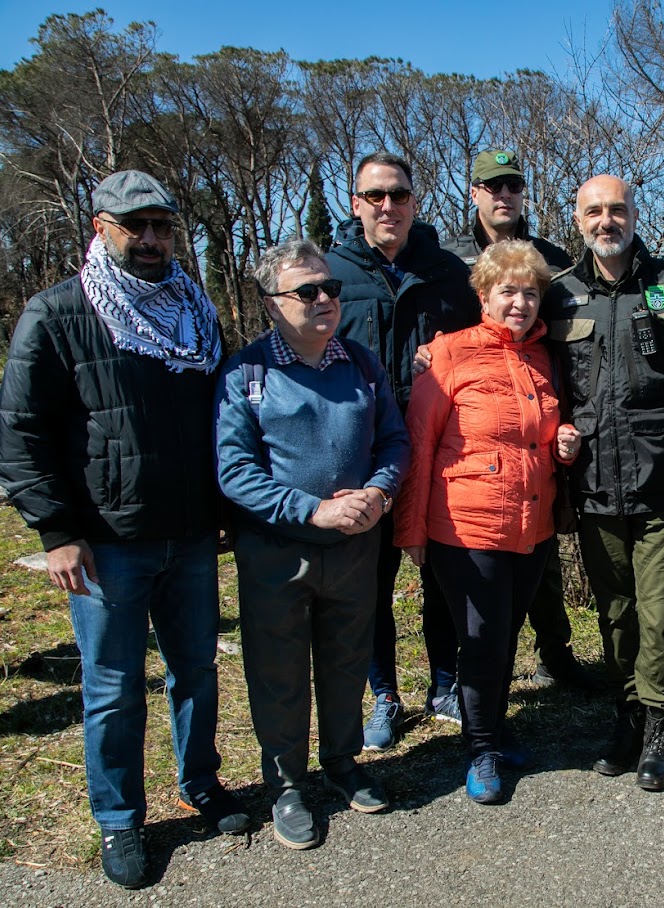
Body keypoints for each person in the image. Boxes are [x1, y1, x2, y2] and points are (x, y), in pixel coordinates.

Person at [0, 170, 248, 889]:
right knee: (113, 687)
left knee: (195, 671)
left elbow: (220, 420)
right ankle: (119, 819)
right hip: (106, 542)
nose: (151, 239)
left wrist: (224, 507)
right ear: (100, 228)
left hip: (192, 533)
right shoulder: (59, 313)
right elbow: (19, 437)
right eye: (134, 226)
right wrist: (55, 532)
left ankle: (200, 784)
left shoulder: (194, 312)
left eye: (162, 225)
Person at [215, 238, 408, 849]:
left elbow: (394, 442)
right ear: (273, 303)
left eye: (330, 289)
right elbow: (235, 471)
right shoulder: (246, 374)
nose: (325, 300)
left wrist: (377, 493)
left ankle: (344, 762)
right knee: (279, 672)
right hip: (278, 552)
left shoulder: (361, 362)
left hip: (355, 547)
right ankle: (287, 785)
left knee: (347, 659)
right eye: (307, 291)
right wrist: (315, 511)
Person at [395, 240, 580, 804]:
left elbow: (540, 433)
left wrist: (563, 442)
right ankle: (480, 750)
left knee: (504, 634)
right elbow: (420, 443)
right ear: (483, 295)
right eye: (508, 292)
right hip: (466, 527)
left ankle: (494, 729)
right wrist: (411, 531)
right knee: (480, 641)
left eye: (530, 292)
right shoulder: (449, 353)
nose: (520, 303)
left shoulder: (544, 357)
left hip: (532, 523)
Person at [541, 175, 664, 791]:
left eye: (617, 209)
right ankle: (628, 714)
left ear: (635, 214)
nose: (606, 220)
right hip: (592, 486)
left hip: (663, 483)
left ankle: (661, 725)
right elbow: (538, 375)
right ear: (578, 219)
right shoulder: (560, 295)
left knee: (659, 613)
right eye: (594, 211)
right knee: (615, 613)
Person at [325, 152, 478, 748]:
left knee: (441, 575)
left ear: (415, 202)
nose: (388, 206)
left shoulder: (447, 273)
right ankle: (384, 694)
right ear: (356, 203)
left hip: (439, 450)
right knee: (370, 586)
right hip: (359, 457)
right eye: (375, 195)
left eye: (400, 195)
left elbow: (478, 348)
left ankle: (444, 683)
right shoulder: (331, 272)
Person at [442, 148, 595, 692]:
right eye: (492, 186)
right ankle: (455, 680)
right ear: (475, 193)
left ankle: (556, 653)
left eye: (513, 185)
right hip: (470, 423)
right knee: (463, 564)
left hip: (539, 409)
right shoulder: (448, 257)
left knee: (540, 550)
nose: (503, 195)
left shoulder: (552, 258)